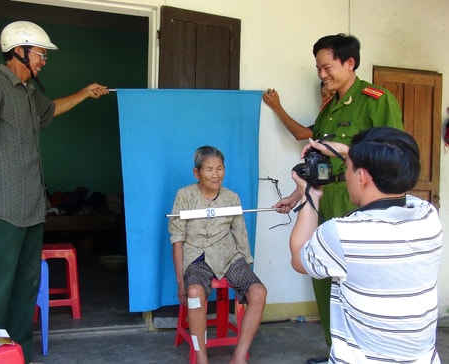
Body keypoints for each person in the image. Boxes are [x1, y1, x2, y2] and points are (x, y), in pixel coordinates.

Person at [0, 20, 109, 363]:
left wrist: (85, 92)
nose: (43, 60)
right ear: (19, 51)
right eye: (40, 53)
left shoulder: (27, 93)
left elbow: (52, 110)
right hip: (1, 208)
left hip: (31, 208)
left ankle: (17, 353)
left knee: (25, 290)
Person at [273, 34, 404, 364]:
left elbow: (394, 155)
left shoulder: (376, 100)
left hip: (358, 207)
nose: (322, 75)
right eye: (318, 68)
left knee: (359, 285)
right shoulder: (328, 109)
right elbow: (319, 164)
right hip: (323, 208)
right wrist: (295, 195)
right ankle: (337, 353)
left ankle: (367, 355)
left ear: (350, 63)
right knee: (325, 283)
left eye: (327, 67)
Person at [288, 127, 442, 363]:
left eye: (348, 168)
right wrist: (352, 153)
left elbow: (299, 258)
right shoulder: (427, 215)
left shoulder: (344, 233)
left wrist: (309, 196)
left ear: (363, 177)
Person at [168, 146, 267, 364]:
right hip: (197, 258)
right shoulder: (184, 196)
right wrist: (180, 282)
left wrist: (247, 269)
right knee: (194, 293)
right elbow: (177, 239)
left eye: (220, 169)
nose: (215, 175)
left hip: (229, 257)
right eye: (209, 169)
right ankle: (201, 357)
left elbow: (240, 233)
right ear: (197, 173)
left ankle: (239, 357)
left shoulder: (232, 198)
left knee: (258, 292)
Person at [263, 82, 334, 141]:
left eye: (332, 95)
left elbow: (300, 134)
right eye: (324, 95)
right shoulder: (325, 119)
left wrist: (277, 107)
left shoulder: (340, 116)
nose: (328, 99)